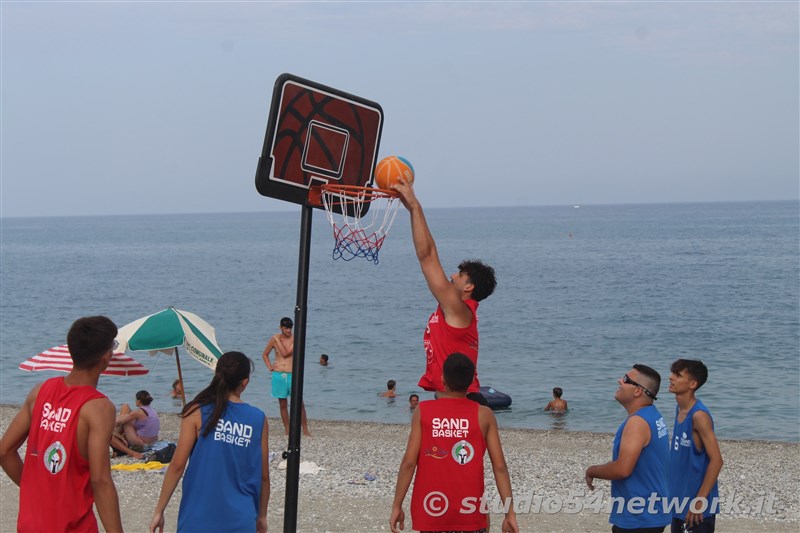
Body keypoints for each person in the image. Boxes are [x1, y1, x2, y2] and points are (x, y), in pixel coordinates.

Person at [0, 316, 123, 532]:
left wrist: (35, 491)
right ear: (106, 357)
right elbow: (100, 481)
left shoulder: (40, 391)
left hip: (31, 524)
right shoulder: (99, 408)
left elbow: (4, 451)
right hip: (72, 526)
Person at [392, 177, 496, 405]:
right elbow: (431, 250)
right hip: (451, 400)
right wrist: (412, 210)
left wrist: (415, 206)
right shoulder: (456, 309)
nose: (452, 275)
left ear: (469, 287)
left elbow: (428, 257)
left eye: (459, 274)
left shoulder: (460, 310)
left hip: (462, 402)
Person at [390, 353, 519, 533]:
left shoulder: (423, 411)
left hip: (432, 510)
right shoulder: (484, 414)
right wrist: (509, 514)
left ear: (443, 378)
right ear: (471, 381)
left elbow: (409, 462)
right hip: (470, 512)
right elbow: (500, 467)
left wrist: (397, 505)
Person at [149, 351, 270, 533]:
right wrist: (261, 516)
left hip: (197, 518)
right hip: (241, 518)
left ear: (216, 375)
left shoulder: (197, 411)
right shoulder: (258, 419)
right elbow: (264, 476)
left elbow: (177, 466)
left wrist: (159, 510)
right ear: (245, 383)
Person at [585, 364, 670, 532]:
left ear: (638, 391)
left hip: (639, 515)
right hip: (653, 510)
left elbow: (623, 469)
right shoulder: (654, 415)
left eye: (626, 379)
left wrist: (591, 471)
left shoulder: (637, 422)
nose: (620, 381)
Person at [668, 359, 723, 533]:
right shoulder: (679, 408)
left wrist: (699, 501)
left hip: (696, 508)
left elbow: (717, 460)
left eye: (677, 375)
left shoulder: (699, 415)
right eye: (672, 373)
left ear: (692, 384)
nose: (671, 378)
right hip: (678, 502)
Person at [261, 316, 311, 436]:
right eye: (286, 328)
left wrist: (277, 340)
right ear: (281, 328)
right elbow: (265, 354)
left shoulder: (295, 339)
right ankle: (287, 430)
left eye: (290, 328)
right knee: (282, 403)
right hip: (279, 374)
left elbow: (285, 353)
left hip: (292, 373)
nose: (288, 331)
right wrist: (270, 366)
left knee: (299, 403)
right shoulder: (274, 339)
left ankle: (305, 430)